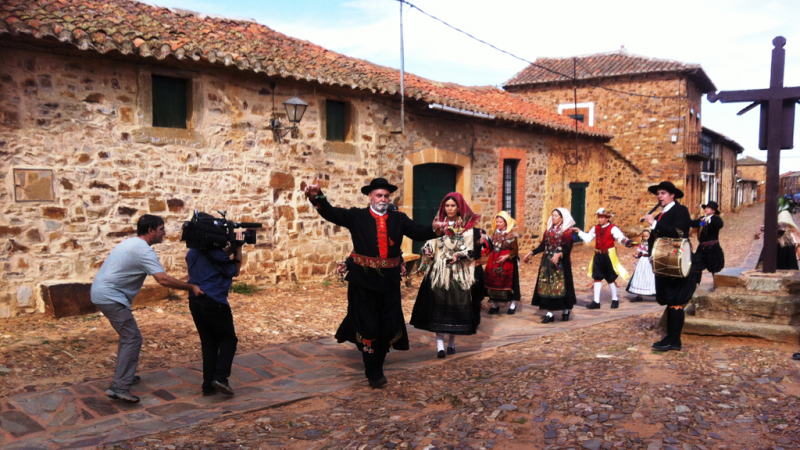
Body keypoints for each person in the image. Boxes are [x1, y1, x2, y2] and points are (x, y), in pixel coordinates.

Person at [304, 177, 443, 388]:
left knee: (387, 327)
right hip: (363, 283)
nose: (383, 199)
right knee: (368, 327)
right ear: (370, 196)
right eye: (379, 195)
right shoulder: (356, 216)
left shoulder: (399, 219)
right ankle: (373, 372)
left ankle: (377, 361)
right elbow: (331, 213)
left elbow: (418, 231)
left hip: (389, 285)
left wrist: (435, 229)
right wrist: (317, 197)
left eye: (386, 195)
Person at [91, 215, 204, 403]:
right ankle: (119, 386)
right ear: (150, 230)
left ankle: (125, 375)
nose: (164, 232)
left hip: (103, 294)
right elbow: (163, 279)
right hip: (111, 297)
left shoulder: (131, 243)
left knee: (128, 337)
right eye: (161, 229)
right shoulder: (144, 251)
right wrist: (191, 286)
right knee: (132, 338)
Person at [411, 193, 482, 358]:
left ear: (458, 208)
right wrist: (427, 251)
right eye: (447, 206)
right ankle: (440, 346)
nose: (449, 209)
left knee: (454, 309)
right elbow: (432, 242)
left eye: (452, 206)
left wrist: (460, 255)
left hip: (457, 272)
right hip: (439, 271)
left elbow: (471, 250)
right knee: (438, 307)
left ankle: (451, 342)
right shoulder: (438, 225)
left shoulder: (466, 228)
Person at [186, 213, 244, 397]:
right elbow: (234, 270)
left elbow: (215, 257)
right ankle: (221, 377)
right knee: (228, 340)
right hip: (215, 301)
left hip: (195, 302)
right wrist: (239, 249)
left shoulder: (193, 253)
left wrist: (230, 246)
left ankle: (208, 385)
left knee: (209, 343)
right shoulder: (216, 254)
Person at [641, 181, 697, 352]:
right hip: (664, 262)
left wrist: (654, 224)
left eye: (663, 193)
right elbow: (654, 239)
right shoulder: (659, 215)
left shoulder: (680, 211)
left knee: (676, 301)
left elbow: (680, 232)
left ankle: (674, 340)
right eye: (658, 194)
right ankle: (671, 338)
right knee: (670, 299)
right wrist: (652, 255)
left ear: (672, 195)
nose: (659, 196)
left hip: (678, 261)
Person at [525, 208, 577, 323]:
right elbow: (543, 245)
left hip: (561, 263)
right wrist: (532, 252)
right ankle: (550, 313)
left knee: (561, 286)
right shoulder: (548, 231)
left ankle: (566, 310)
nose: (553, 218)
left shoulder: (567, 232)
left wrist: (559, 254)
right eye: (552, 215)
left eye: (556, 216)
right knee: (547, 286)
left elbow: (568, 248)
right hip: (547, 262)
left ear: (562, 218)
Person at [572, 208, 631, 309]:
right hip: (598, 255)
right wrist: (579, 232)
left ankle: (615, 299)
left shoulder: (613, 228)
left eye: (602, 217)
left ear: (607, 218)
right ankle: (596, 301)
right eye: (599, 217)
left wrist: (624, 240)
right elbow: (588, 238)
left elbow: (620, 237)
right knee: (597, 277)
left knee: (610, 278)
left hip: (608, 255)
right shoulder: (596, 228)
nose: (600, 220)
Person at [484, 211, 521, 315]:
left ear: (505, 223)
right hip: (495, 259)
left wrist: (507, 256)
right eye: (497, 222)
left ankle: (512, 304)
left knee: (509, 283)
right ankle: (495, 305)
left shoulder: (511, 235)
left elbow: (515, 250)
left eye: (500, 222)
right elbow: (491, 246)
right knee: (494, 281)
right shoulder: (495, 233)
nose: (498, 224)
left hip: (507, 261)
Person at [689, 201, 725, 286]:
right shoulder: (702, 218)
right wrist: (685, 219)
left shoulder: (716, 219)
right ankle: (696, 284)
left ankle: (717, 285)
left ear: (713, 211)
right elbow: (694, 223)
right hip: (702, 247)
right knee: (696, 264)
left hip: (712, 248)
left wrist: (708, 221)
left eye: (709, 208)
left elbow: (719, 225)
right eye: (706, 207)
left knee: (714, 267)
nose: (706, 209)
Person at [626, 229, 656, 301]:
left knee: (650, 277)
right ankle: (639, 295)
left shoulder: (653, 244)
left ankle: (654, 293)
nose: (645, 238)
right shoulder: (642, 244)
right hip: (642, 262)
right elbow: (640, 254)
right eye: (644, 236)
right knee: (640, 276)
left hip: (649, 262)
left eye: (647, 236)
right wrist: (636, 255)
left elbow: (654, 252)